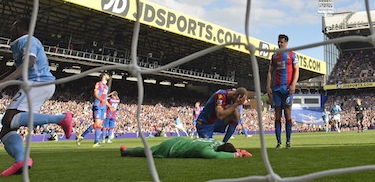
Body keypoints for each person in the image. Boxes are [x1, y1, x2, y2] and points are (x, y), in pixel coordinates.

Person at [0, 18, 73, 176]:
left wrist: (2, 84)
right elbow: (16, 67)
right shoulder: (21, 44)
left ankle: (61, 118)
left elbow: (29, 62)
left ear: (19, 29)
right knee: (6, 130)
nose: (10, 31)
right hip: (39, 85)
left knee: (8, 120)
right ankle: (21, 161)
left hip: (37, 83)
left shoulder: (27, 40)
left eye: (13, 28)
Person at [266, 33, 299, 148]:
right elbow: (270, 72)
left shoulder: (292, 55)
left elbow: (296, 71)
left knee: (288, 114)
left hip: (287, 88)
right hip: (276, 88)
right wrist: (268, 86)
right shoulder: (274, 56)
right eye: (278, 42)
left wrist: (293, 85)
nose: (279, 44)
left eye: (282, 42)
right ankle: (279, 142)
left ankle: (288, 141)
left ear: (286, 43)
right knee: (277, 115)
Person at [119, 137, 251, 159]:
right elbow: (216, 156)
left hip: (179, 141)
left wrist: (239, 150)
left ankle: (127, 151)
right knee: (146, 152)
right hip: (171, 149)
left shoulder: (216, 142)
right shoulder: (205, 150)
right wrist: (236, 155)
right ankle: (126, 152)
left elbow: (226, 148)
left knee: (148, 150)